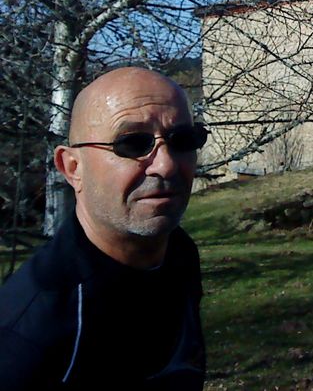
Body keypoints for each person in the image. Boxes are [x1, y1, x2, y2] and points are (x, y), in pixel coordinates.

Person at [0, 67, 207, 390]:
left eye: (183, 140)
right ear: (72, 168)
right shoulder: (28, 336)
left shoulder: (177, 253)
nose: (166, 164)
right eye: (133, 143)